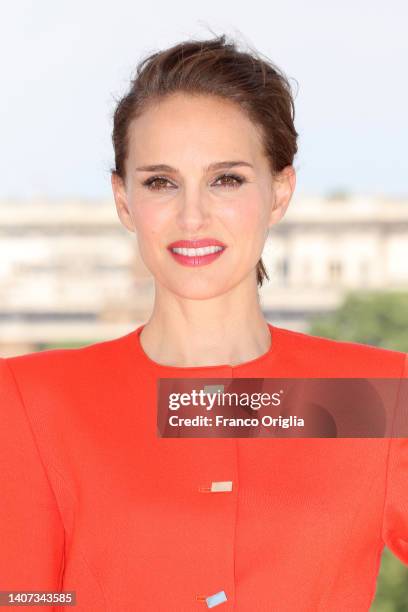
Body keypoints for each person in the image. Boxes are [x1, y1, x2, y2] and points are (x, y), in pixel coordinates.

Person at [0, 34, 407, 612]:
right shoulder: (31, 399)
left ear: (279, 192)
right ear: (123, 200)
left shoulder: (374, 398)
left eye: (227, 179)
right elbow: (22, 598)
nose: (192, 216)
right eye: (160, 182)